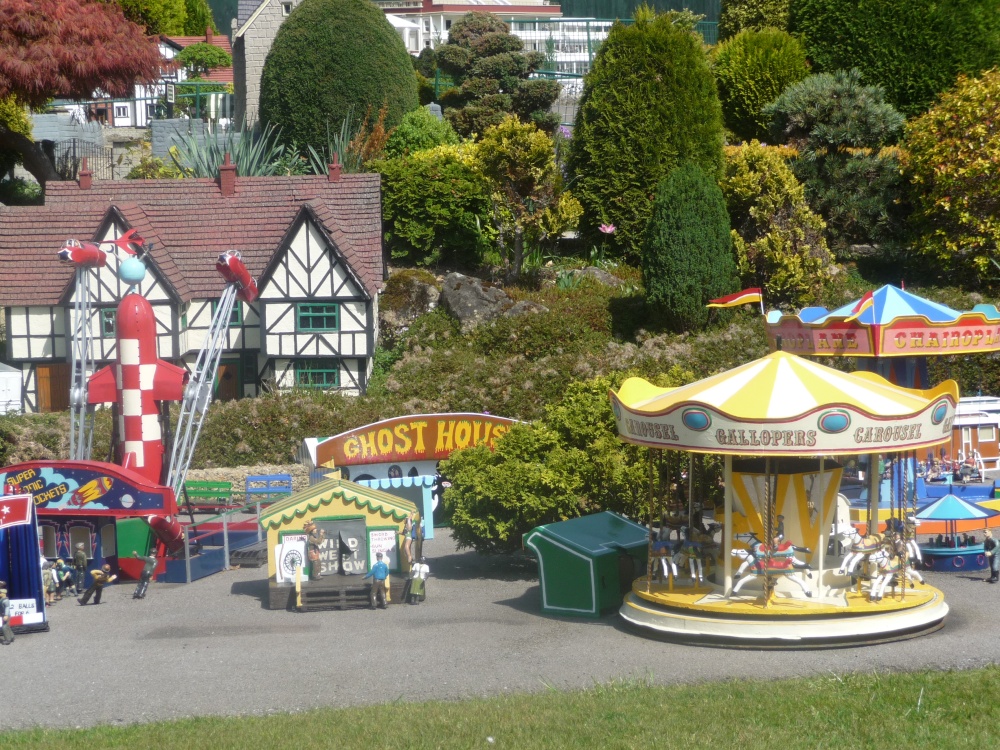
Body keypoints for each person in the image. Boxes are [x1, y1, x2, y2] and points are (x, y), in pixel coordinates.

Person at [0, 580, 13, 645]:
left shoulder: (5, 600)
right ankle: (12, 637)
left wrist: (6, 615)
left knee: (5, 627)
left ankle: (8, 640)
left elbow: (7, 608)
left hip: (6, 615)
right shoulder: (1, 600)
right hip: (3, 615)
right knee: (7, 626)